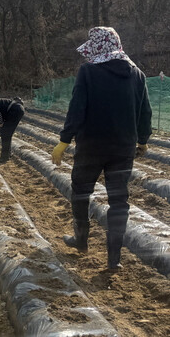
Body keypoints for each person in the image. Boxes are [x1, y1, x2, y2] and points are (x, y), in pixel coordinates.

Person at [51, 27, 151, 271]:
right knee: (119, 201)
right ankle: (114, 258)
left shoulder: (88, 71)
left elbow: (77, 108)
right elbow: (144, 112)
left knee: (81, 192)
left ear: (96, 47)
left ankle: (81, 240)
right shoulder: (137, 74)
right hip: (123, 149)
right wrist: (143, 141)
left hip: (91, 147)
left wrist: (64, 141)